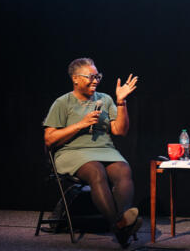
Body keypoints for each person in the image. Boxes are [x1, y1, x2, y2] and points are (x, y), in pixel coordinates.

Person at [43, 57, 141, 248]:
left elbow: (120, 130)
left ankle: (122, 221)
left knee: (123, 169)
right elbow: (49, 139)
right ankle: (119, 226)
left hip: (104, 150)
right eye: (91, 76)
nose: (96, 80)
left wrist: (121, 102)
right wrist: (80, 124)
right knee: (96, 171)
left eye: (98, 76)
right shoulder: (63, 102)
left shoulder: (105, 99)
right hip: (72, 152)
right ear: (76, 79)